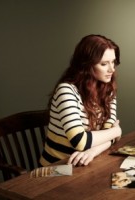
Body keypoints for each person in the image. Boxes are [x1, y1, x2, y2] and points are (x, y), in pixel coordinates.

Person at [40, 34, 122, 167]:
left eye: (113, 62)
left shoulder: (108, 89)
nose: (111, 69)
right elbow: (80, 141)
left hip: (87, 163)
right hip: (57, 169)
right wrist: (117, 131)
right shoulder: (66, 91)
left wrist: (93, 150)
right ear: (87, 65)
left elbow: (108, 134)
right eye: (104, 64)